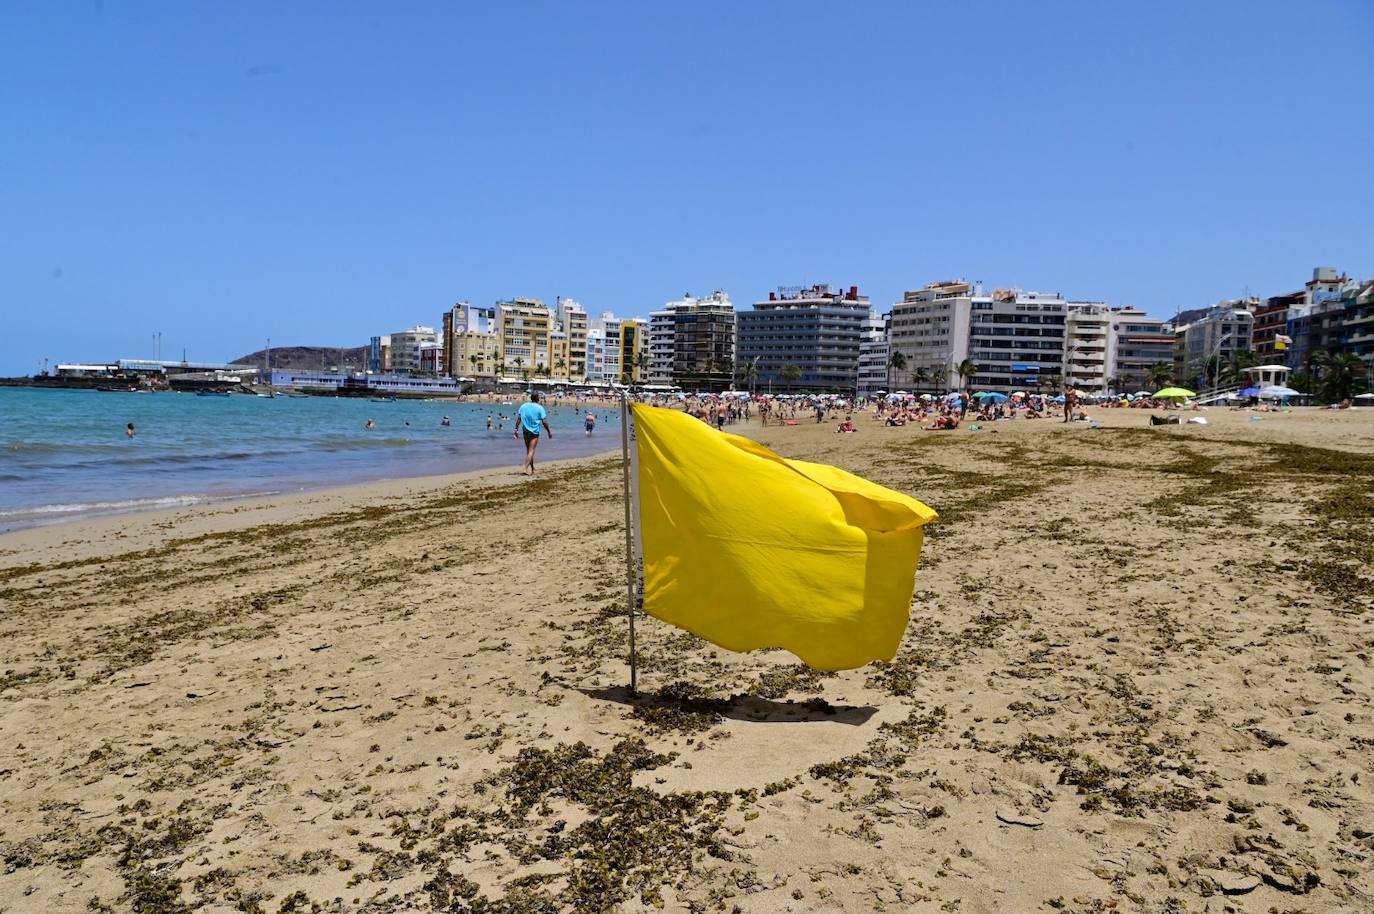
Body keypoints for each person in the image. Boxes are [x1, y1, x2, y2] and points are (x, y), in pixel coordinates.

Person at [514, 391, 552, 476]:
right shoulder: (540, 408)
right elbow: (544, 422)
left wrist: (516, 429)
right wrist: (548, 431)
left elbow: (519, 419)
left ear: (531, 398)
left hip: (525, 431)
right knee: (531, 451)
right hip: (535, 432)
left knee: (529, 450)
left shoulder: (523, 406)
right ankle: (525, 468)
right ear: (538, 398)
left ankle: (532, 468)